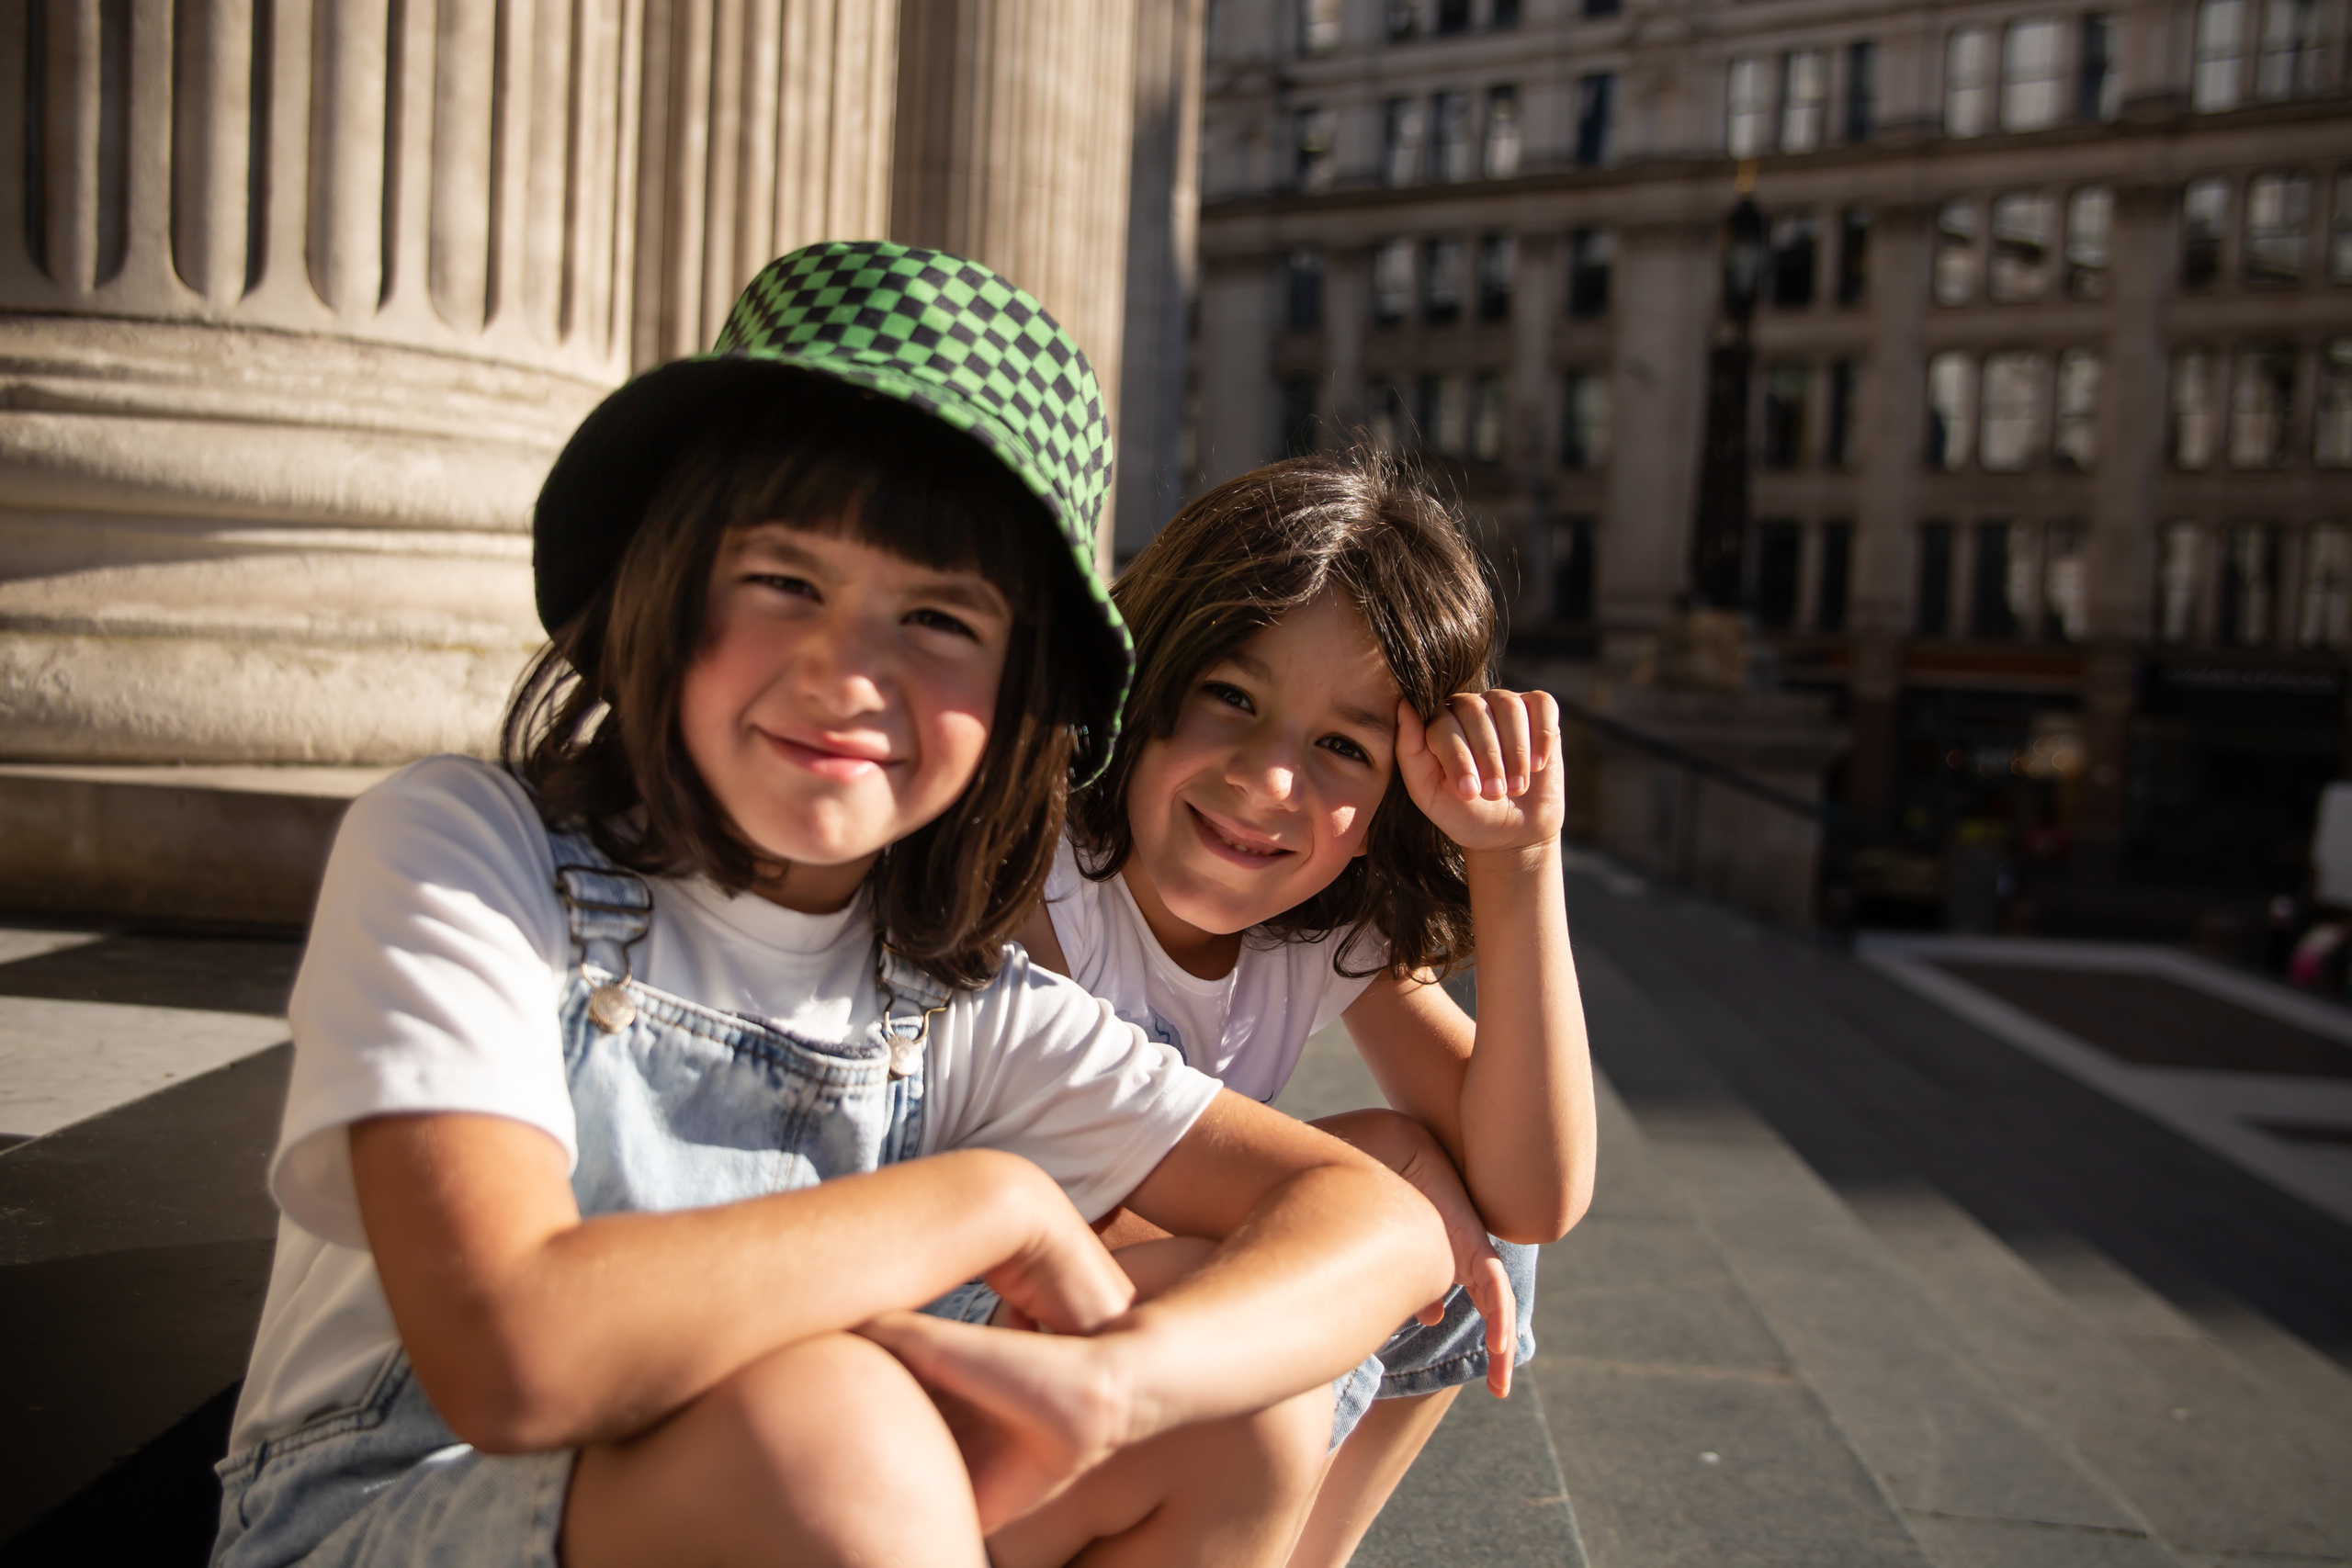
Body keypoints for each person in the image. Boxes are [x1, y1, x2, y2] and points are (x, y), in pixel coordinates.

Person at [210, 243, 1451, 1568]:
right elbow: (511, 1349)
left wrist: (1125, 1380)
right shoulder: (474, 852)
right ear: (667, 581)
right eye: (787, 582)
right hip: (398, 1513)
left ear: (1023, 694)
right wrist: (989, 1202)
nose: (847, 671)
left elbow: (1377, 1217)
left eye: (937, 616)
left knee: (1238, 1405)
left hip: (806, 1495)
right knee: (839, 1425)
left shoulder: (949, 1002)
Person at [1014, 453, 1598, 1568]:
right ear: (1141, 682)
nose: (1266, 781)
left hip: (1138, 1383)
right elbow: (1047, 1220)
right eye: (1230, 696)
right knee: (1383, 1210)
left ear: (1395, 796)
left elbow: (1533, 1192)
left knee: (1473, 1239)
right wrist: (1383, 1176)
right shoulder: (1044, 887)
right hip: (998, 1378)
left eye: (1341, 747)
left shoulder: (1323, 924)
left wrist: (1519, 861)